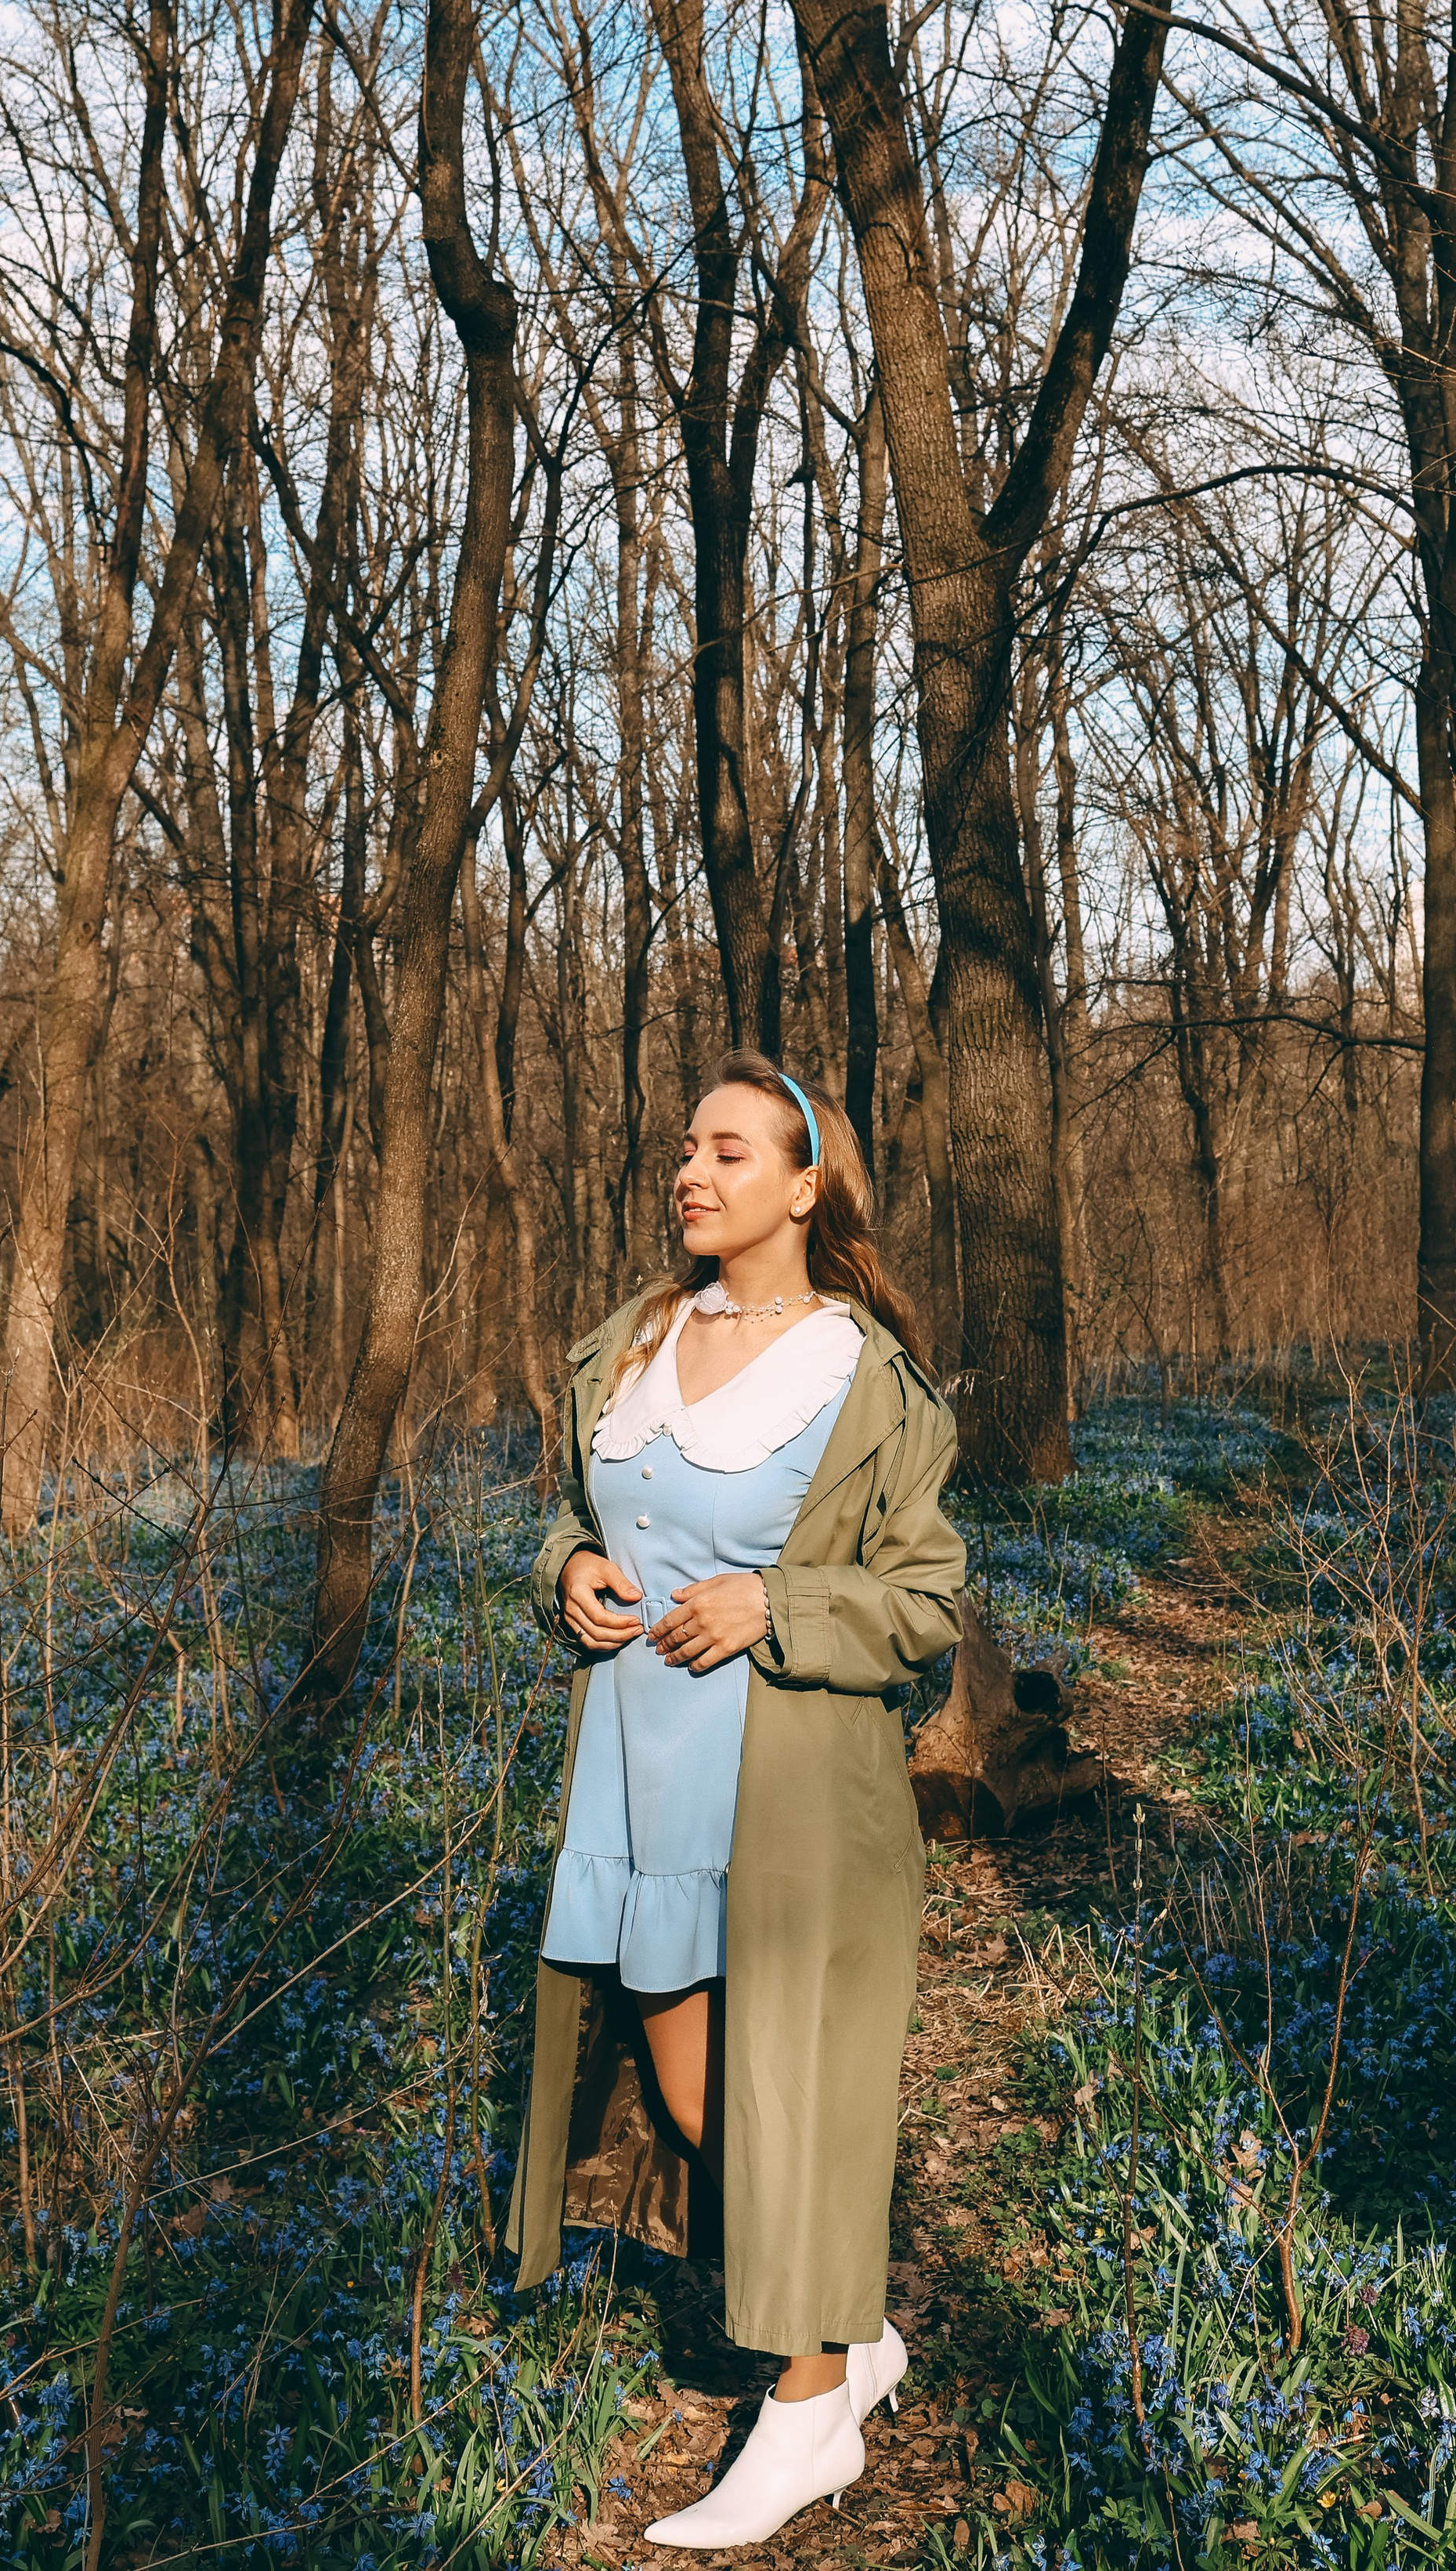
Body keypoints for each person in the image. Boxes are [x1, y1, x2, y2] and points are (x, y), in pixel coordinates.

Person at [505, 1051, 965, 2547]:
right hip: (636, 1782)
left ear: (806, 1184)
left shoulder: (863, 1378)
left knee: (783, 2097)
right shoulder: (633, 1342)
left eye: (728, 1152)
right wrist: (568, 1570)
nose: (690, 1173)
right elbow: (580, 1516)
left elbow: (926, 1603)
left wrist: (777, 1602)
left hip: (788, 1797)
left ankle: (807, 2413)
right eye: (686, 1149)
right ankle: (856, 2331)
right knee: (701, 2097)